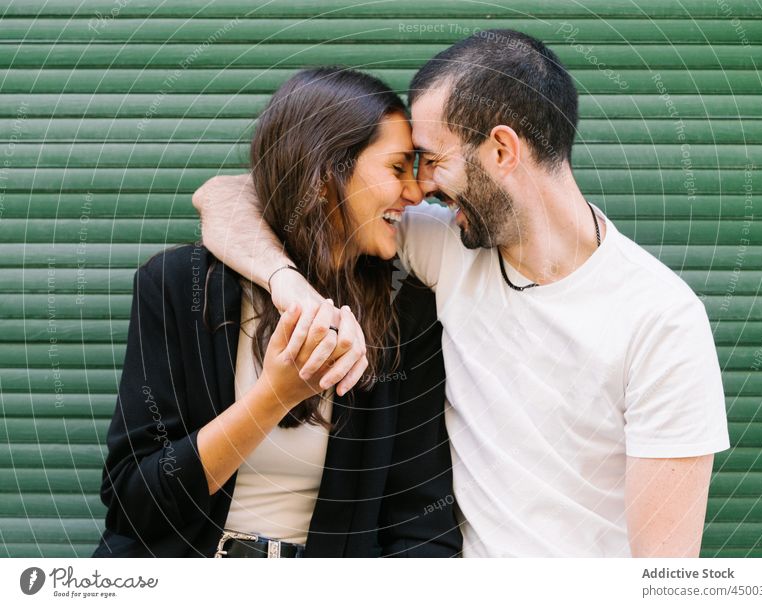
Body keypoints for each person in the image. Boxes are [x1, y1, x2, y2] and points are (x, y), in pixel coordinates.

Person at [192, 30, 730, 557]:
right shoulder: (447, 243)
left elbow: (666, 570)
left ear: (501, 150)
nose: (421, 186)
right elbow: (227, 196)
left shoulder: (663, 320)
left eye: (432, 159)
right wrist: (290, 286)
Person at [92, 67, 461, 558]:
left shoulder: (403, 315)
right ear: (327, 172)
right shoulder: (179, 286)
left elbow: (422, 527)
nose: (416, 193)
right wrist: (274, 396)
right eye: (397, 169)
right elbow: (132, 505)